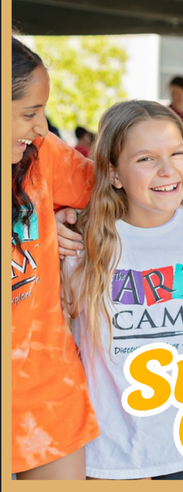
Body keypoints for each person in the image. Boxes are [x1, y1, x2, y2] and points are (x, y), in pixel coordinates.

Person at [61, 100, 183, 480]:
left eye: (177, 153)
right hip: (109, 451)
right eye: (145, 159)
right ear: (114, 173)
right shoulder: (78, 239)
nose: (167, 169)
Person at [11, 35, 99, 479]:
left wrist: (72, 219)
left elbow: (117, 193)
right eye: (29, 112)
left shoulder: (41, 156)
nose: (42, 126)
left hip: (50, 399)